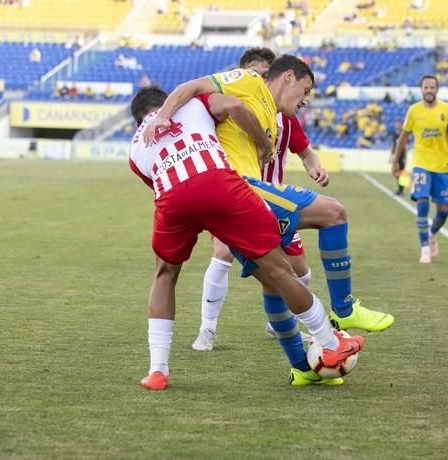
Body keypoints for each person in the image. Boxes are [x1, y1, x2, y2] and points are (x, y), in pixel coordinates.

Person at [145, 55, 394, 350]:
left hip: (242, 200)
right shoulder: (249, 82)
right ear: (288, 76)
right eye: (306, 90)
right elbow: (192, 86)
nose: (306, 100)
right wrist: (163, 114)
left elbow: (299, 148)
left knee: (277, 279)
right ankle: (345, 310)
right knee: (333, 213)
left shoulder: (276, 120)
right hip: (236, 189)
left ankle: (302, 366)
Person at [129, 86, 364, 391]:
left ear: (138, 121)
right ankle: (329, 341)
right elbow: (236, 106)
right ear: (167, 101)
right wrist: (264, 145)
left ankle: (158, 370)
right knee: (278, 270)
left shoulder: (135, 149)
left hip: (173, 197)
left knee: (164, 274)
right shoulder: (195, 103)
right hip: (219, 182)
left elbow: (159, 183)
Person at [193, 47, 330, 350]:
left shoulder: (284, 117)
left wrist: (314, 166)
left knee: (300, 272)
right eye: (253, 73)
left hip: (277, 201)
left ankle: (276, 321)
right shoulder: (228, 109)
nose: (259, 79)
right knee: (223, 253)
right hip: (236, 195)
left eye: (265, 74)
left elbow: (305, 152)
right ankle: (207, 329)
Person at [392, 75, 448, 264]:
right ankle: (424, 248)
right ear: (421, 89)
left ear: (437, 89)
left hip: (442, 166)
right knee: (422, 203)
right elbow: (403, 137)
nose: (429, 90)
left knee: (444, 210)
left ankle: (431, 234)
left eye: (432, 87)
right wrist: (396, 160)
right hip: (421, 164)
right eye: (426, 87)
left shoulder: (447, 109)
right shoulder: (413, 111)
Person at [389, 119, 407, 196]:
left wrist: (405, 158)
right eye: (396, 124)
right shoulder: (394, 134)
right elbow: (393, 146)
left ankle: (401, 189)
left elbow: (405, 147)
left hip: (401, 156)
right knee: (396, 173)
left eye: (399, 124)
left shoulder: (403, 134)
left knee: (401, 173)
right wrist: (391, 156)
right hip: (395, 155)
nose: (397, 125)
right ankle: (400, 189)